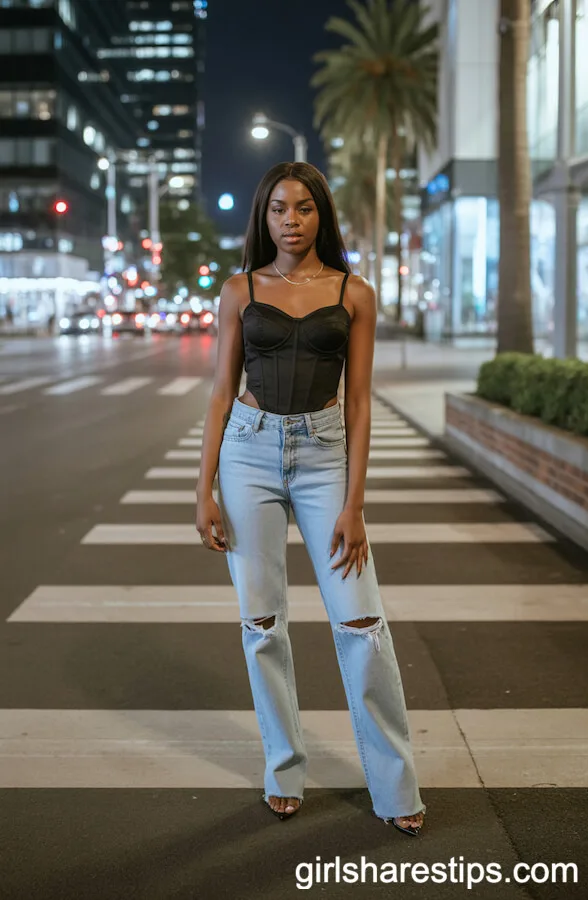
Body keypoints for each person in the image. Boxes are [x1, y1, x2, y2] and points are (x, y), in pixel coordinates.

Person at [195, 161, 426, 837]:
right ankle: (283, 769)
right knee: (262, 624)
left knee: (361, 623)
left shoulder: (355, 293)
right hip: (248, 452)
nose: (290, 221)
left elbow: (359, 402)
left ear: (321, 214)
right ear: (263, 217)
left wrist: (355, 504)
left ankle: (395, 784)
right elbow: (220, 390)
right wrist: (203, 488)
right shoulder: (239, 289)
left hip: (325, 456)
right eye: (278, 208)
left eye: (303, 208)